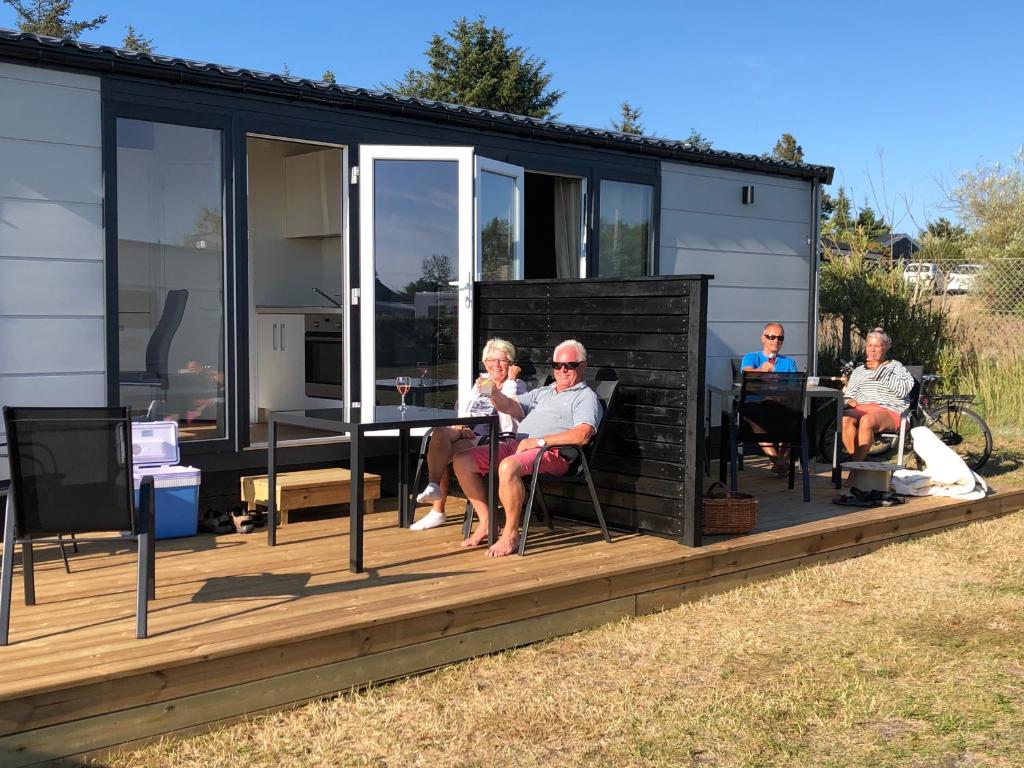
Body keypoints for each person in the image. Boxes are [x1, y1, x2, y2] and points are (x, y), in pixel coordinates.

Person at [452, 339, 602, 557]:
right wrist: (493, 392)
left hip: (552, 453)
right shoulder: (544, 392)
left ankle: (511, 534)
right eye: (557, 365)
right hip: (519, 446)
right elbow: (509, 406)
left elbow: (582, 435)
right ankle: (487, 521)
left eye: (569, 365)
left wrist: (539, 441)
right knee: (463, 460)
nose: (562, 370)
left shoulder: (585, 397)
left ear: (583, 366)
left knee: (508, 466)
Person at [410, 338, 526, 530]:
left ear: (511, 364)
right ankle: (433, 489)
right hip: (471, 434)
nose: (496, 365)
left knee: (448, 453)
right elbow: (466, 409)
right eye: (491, 360)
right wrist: (460, 427)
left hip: (494, 439)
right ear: (485, 363)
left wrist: (511, 380)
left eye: (502, 361)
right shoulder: (482, 383)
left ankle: (438, 510)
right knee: (440, 434)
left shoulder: (517, 385)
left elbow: (507, 405)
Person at [842, 327, 916, 463]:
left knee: (867, 420)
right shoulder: (859, 371)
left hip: (890, 410)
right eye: (869, 346)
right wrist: (848, 400)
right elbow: (849, 393)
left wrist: (879, 370)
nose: (872, 350)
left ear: (886, 348)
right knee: (845, 418)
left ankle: (855, 470)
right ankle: (860, 464)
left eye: (876, 346)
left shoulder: (895, 367)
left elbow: (903, 391)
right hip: (864, 408)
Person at [740, 322, 798, 476]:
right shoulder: (752, 357)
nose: (776, 341)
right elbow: (746, 374)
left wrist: (778, 393)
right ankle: (776, 460)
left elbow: (794, 390)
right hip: (757, 409)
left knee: (793, 413)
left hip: (778, 408)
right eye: (771, 337)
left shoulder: (789, 363)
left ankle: (781, 460)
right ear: (763, 338)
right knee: (750, 412)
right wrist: (761, 370)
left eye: (780, 338)